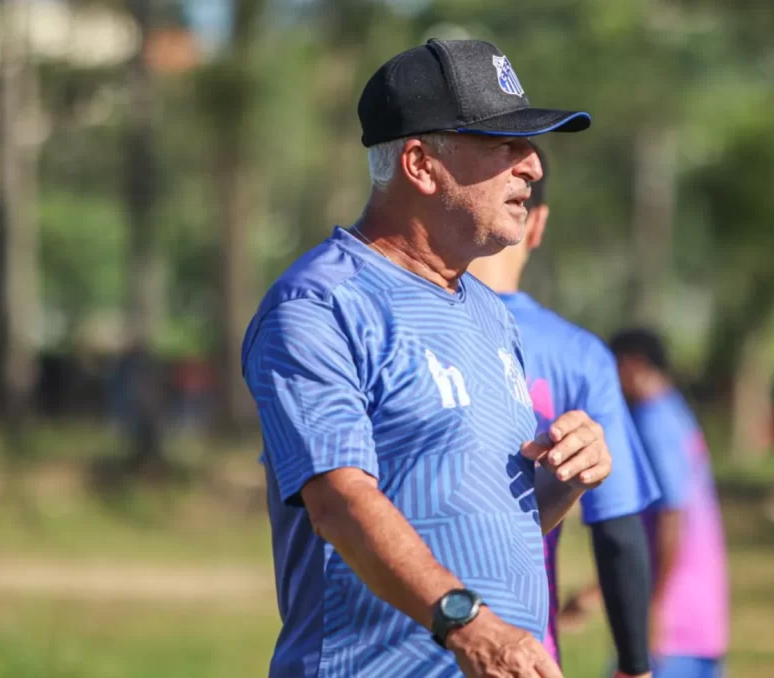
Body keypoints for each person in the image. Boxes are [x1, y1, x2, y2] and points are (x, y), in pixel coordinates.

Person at [241, 38, 610, 678]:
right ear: (420, 163)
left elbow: (485, 519)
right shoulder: (320, 305)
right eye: (504, 145)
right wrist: (470, 627)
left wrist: (565, 479)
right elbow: (339, 503)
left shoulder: (488, 311)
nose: (531, 166)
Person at [468, 144, 660, 678]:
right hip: (527, 654)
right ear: (538, 222)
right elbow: (618, 528)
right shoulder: (579, 355)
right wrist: (635, 665)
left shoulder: (405, 322)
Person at [610, 328, 729, 678]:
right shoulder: (676, 411)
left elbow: (671, 518)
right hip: (701, 615)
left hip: (671, 624)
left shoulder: (653, 421)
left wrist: (653, 606)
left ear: (634, 364)